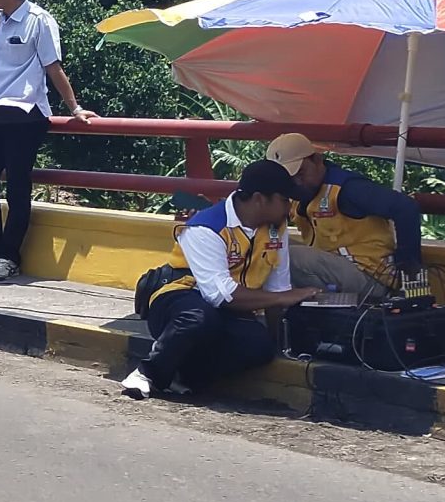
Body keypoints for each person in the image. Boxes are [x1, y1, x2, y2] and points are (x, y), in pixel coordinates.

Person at [122, 159, 314, 401]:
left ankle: (187, 377)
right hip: (180, 299)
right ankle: (147, 374)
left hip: (228, 311)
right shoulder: (207, 226)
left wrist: (278, 343)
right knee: (199, 318)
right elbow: (221, 294)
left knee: (259, 346)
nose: (289, 207)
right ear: (259, 199)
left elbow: (278, 286)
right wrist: (285, 297)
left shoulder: (276, 228)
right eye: (285, 199)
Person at [0, 0, 98, 283]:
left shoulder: (39, 21)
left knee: (18, 188)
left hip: (26, 115)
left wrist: (75, 108)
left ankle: (9, 257)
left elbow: (54, 68)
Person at [265, 132, 425, 299]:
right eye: (289, 178)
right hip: (333, 269)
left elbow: (406, 208)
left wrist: (408, 268)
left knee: (293, 256)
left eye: (300, 172)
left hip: (370, 276)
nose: (297, 181)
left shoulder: (348, 189)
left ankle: (325, 309)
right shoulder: (299, 194)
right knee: (271, 244)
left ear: (317, 160)